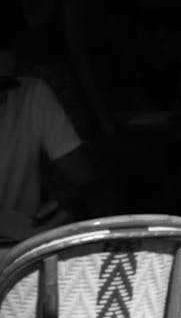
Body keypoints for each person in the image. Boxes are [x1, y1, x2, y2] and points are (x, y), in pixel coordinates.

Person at [0, 21, 107, 248]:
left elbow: (86, 179)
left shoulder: (29, 94)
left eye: (5, 84)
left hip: (19, 251)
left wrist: (70, 212)